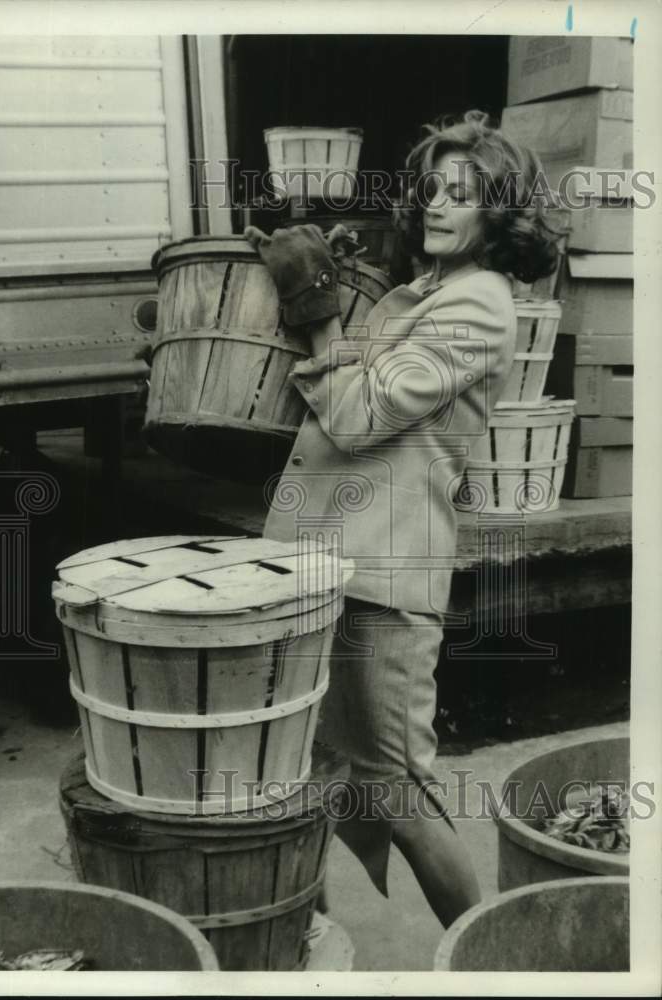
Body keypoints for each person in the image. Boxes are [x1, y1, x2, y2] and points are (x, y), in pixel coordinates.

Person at [244, 110, 562, 928]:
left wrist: (317, 315)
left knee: (397, 783)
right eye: (431, 189)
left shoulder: (482, 305)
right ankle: (297, 936)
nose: (437, 204)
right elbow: (339, 379)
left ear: (500, 214)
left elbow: (357, 416)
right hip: (326, 555)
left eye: (464, 194)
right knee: (310, 764)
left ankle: (491, 957)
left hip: (386, 570)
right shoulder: (420, 293)